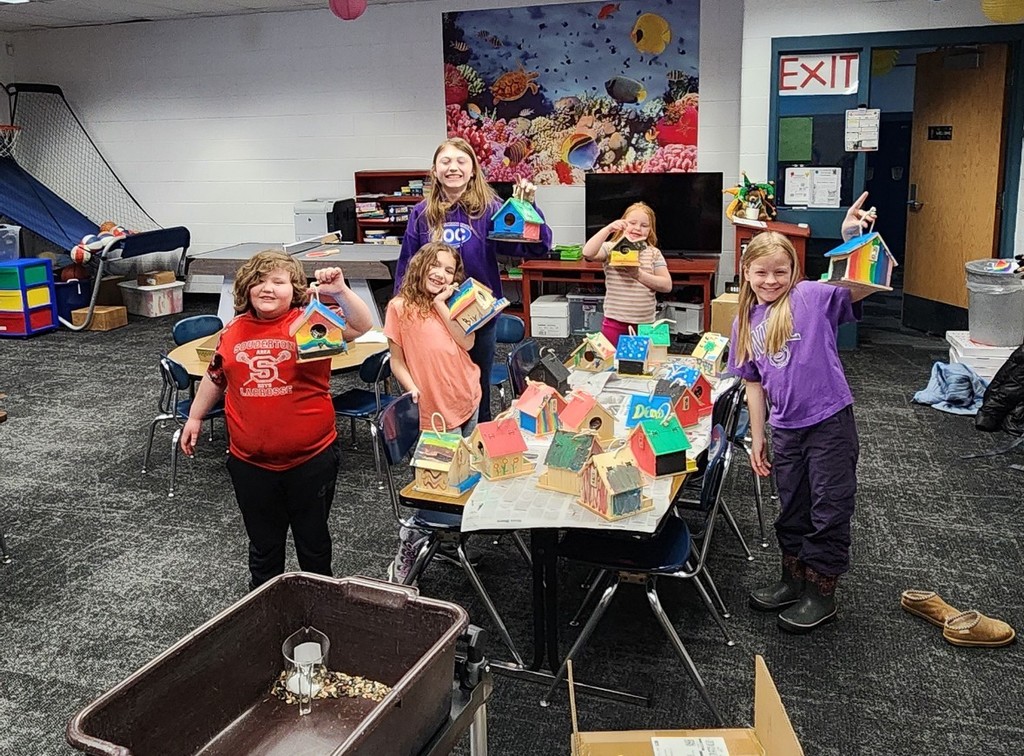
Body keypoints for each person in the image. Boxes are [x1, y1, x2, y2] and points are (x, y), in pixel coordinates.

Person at [180, 250, 372, 590]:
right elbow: (216, 376)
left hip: (311, 460)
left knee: (313, 546)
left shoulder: (311, 322)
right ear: (246, 289)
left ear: (294, 288)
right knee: (264, 550)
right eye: (259, 281)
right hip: (250, 465)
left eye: (278, 282)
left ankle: (319, 606)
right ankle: (266, 611)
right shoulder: (233, 330)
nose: (267, 289)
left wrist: (340, 291)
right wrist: (195, 417)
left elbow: (360, 326)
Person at [730, 194, 877, 633]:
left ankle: (821, 593)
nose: (771, 280)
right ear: (747, 273)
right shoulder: (744, 321)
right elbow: (752, 382)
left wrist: (853, 238)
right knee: (791, 504)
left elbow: (859, 285)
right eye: (761, 272)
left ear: (794, 271)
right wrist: (757, 436)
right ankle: (792, 580)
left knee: (829, 507)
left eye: (781, 271)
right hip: (785, 429)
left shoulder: (811, 297)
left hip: (829, 423)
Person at [394, 137, 552, 423]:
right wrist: (401, 315)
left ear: (473, 170)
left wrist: (530, 209)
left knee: (476, 384)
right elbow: (408, 263)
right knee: (434, 385)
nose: (453, 168)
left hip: (478, 318)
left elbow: (534, 246)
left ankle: (481, 443)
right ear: (434, 171)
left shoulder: (491, 210)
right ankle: (441, 444)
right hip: (432, 318)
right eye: (446, 161)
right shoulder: (421, 215)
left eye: (461, 161)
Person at [384, 241, 482, 583]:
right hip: (433, 410)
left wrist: (443, 304)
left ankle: (447, 541)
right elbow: (397, 360)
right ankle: (412, 540)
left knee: (464, 476)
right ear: (420, 266)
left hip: (467, 395)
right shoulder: (399, 307)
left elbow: (467, 343)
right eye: (435, 266)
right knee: (435, 486)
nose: (441, 274)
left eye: (449, 270)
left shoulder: (454, 302)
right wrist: (411, 387)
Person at [581, 201, 673, 346]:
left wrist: (637, 274)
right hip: (614, 323)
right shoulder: (611, 248)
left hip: (645, 325)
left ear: (650, 230)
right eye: (632, 223)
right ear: (623, 224)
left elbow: (667, 285)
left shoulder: (654, 253)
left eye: (644, 225)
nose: (637, 228)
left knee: (643, 364)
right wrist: (608, 229)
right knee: (612, 362)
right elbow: (587, 253)